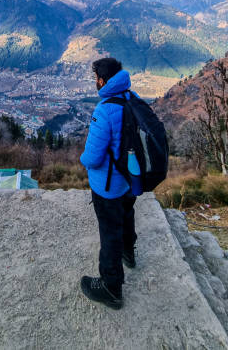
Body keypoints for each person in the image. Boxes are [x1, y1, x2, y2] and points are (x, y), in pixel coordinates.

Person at [79, 57, 138, 310]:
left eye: (96, 79)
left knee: (109, 232)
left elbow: (92, 158)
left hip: (107, 186)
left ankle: (111, 287)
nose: (95, 83)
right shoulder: (130, 97)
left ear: (102, 81)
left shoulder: (103, 110)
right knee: (126, 215)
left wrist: (82, 159)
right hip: (128, 178)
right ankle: (129, 252)